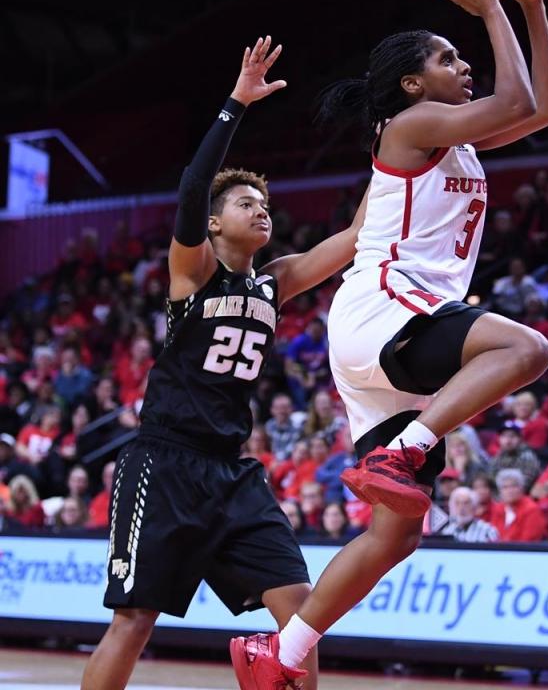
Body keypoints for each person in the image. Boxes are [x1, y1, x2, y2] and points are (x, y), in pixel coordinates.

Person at [235, 0, 548, 683]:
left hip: (382, 333)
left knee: (396, 535)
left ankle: (281, 654)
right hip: (387, 311)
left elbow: (545, 107)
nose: (463, 65)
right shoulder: (412, 126)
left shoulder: (453, 139)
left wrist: (532, 7)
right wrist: (490, 7)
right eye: (448, 58)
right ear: (412, 85)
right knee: (527, 347)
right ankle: (403, 451)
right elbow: (516, 99)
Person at [82, 37, 371, 690]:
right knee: (135, 619)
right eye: (245, 204)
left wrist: (395, 148)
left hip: (233, 472)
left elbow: (356, 238)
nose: (260, 210)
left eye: (264, 205)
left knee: (299, 611)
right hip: (165, 460)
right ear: (213, 225)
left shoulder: (275, 281)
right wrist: (236, 102)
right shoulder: (192, 274)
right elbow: (192, 188)